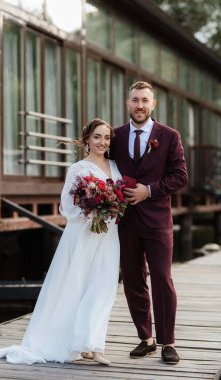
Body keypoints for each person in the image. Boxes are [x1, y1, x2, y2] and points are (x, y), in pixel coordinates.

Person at [0, 118, 123, 366]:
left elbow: (121, 197)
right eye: (97, 137)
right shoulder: (78, 169)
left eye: (107, 137)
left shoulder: (115, 165)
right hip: (83, 236)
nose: (102, 142)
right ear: (87, 140)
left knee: (103, 287)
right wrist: (93, 211)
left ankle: (94, 345)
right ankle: (78, 342)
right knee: (77, 286)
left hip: (109, 236)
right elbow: (66, 208)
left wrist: (111, 207)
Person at [110, 81, 188, 364]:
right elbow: (102, 167)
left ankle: (168, 341)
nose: (140, 105)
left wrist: (149, 190)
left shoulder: (169, 136)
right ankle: (146, 338)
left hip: (157, 221)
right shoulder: (115, 136)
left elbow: (180, 176)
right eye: (135, 100)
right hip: (125, 221)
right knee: (132, 278)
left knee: (162, 278)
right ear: (127, 103)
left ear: (152, 104)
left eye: (145, 100)